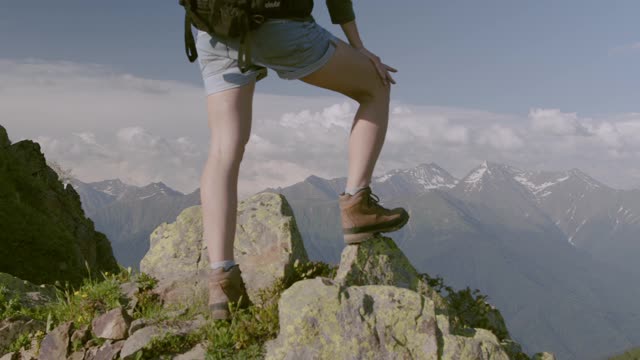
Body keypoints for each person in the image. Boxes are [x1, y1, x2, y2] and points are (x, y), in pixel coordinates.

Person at [196, 0, 410, 320]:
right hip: (278, 27)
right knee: (375, 85)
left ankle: (222, 282)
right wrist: (358, 46)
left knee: (223, 149)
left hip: (213, 29)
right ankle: (357, 205)